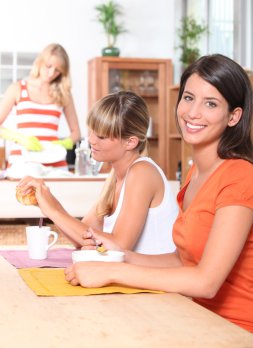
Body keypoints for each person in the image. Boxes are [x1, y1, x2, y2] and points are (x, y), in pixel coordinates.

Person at [64, 54, 253, 333]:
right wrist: (120, 256)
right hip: (194, 317)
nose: (193, 112)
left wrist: (113, 272)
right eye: (188, 98)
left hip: (236, 329)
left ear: (234, 116)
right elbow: (181, 260)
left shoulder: (240, 177)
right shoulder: (195, 175)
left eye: (210, 103)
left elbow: (206, 282)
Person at [17, 91, 179, 253]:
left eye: (101, 136)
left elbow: (119, 246)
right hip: (129, 274)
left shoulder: (143, 172)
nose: (91, 140)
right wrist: (47, 201)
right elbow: (81, 238)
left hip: (152, 276)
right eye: (91, 131)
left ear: (130, 142)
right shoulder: (115, 177)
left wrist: (52, 210)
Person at [0, 43, 81, 169]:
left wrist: (63, 143)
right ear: (40, 61)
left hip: (54, 160)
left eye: (58, 70)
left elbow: (76, 132)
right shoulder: (18, 88)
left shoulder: (64, 93)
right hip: (23, 161)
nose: (51, 73)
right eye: (48, 66)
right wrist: (20, 138)